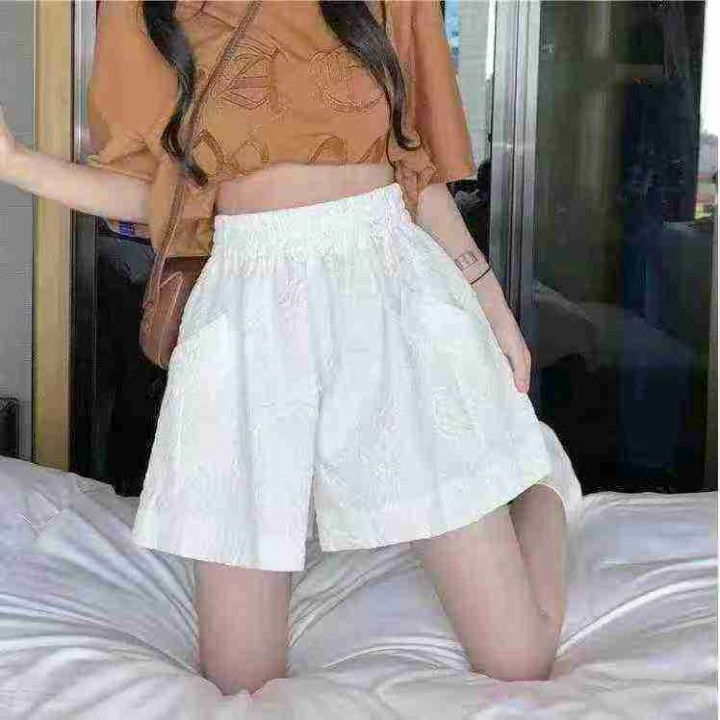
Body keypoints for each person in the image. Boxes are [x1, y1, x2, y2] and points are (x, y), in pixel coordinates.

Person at [0, 0, 582, 698]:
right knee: (239, 680)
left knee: (519, 659)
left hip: (387, 285)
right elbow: (144, 189)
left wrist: (491, 304)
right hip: (247, 308)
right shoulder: (145, 11)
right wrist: (15, 163)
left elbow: (415, 169)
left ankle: (538, 493)